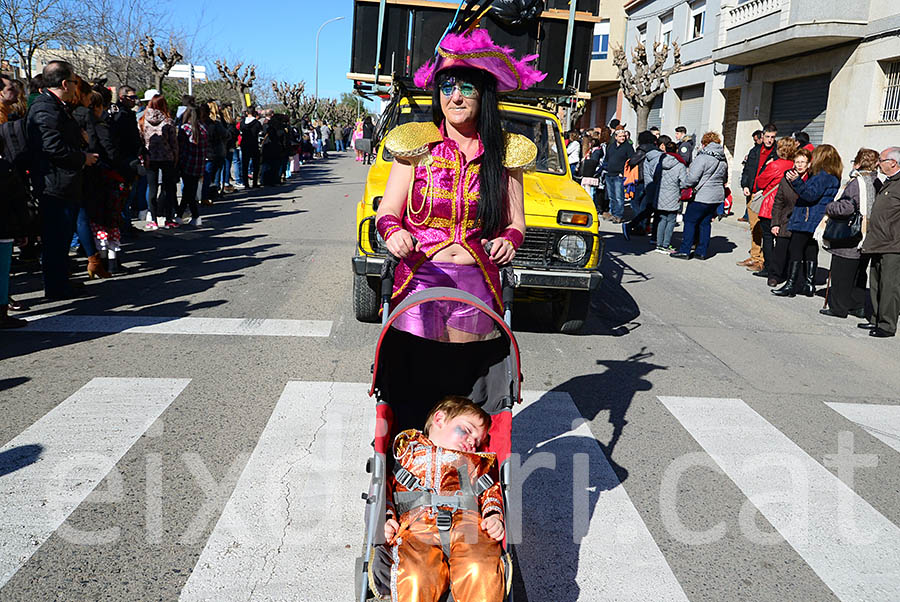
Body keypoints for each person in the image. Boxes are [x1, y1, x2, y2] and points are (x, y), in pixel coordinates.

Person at [375, 27, 538, 341]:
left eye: (466, 87)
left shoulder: (505, 153)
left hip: (476, 282)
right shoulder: (415, 144)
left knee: (462, 381)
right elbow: (387, 212)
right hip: (418, 277)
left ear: (484, 95)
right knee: (417, 380)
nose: (456, 96)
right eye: (447, 87)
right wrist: (393, 234)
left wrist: (509, 242)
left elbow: (516, 223)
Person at [384, 396, 505, 602]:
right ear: (439, 419)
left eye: (477, 441)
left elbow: (490, 490)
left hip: (468, 523)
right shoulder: (407, 451)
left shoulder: (475, 463)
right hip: (416, 524)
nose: (471, 442)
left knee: (479, 567)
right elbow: (387, 487)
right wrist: (386, 516)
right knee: (416, 575)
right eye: (466, 431)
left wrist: (493, 515)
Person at [26, 61, 99, 299]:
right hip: (55, 184)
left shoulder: (57, 106)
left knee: (62, 237)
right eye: (75, 82)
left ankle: (60, 281)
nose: (76, 88)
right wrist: (82, 158)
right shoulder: (45, 107)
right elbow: (51, 146)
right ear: (65, 83)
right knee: (56, 238)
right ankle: (56, 287)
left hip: (64, 182)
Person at [772, 144, 842, 298]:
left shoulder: (823, 176)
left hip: (808, 217)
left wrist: (797, 181)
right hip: (815, 217)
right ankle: (808, 284)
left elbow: (810, 195)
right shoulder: (832, 175)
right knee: (810, 249)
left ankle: (791, 284)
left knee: (795, 249)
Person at [820, 148, 881, 319]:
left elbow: (847, 207)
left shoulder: (857, 182)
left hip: (850, 236)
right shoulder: (876, 182)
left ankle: (838, 308)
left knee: (841, 274)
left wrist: (830, 206)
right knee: (859, 273)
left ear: (859, 162)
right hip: (867, 235)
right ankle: (857, 306)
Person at [860, 147, 900, 337]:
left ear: (893, 162)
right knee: (875, 282)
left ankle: (887, 325)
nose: (878, 164)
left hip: (893, 244)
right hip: (878, 241)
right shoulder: (889, 182)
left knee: (890, 286)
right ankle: (875, 319)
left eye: (881, 160)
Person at [671, 132, 728, 260]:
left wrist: (683, 184)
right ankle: (701, 252)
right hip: (716, 196)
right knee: (705, 223)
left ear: (704, 143)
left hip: (701, 196)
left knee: (690, 221)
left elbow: (692, 178)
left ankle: (685, 250)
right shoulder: (722, 159)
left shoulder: (702, 157)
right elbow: (725, 178)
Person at [752, 137, 799, 277]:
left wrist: (766, 166)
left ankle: (769, 267)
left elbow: (760, 182)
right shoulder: (795, 166)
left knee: (767, 237)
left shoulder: (775, 165)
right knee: (784, 239)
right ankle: (784, 268)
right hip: (789, 206)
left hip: (771, 205)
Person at [768, 148, 811, 286]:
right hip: (786, 219)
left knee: (797, 251)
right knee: (780, 248)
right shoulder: (786, 179)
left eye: (803, 162)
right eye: (797, 162)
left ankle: (795, 277)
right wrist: (775, 223)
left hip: (803, 221)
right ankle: (775, 275)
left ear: (808, 164)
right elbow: (778, 202)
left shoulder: (811, 181)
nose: (799, 165)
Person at [739, 123, 777, 269]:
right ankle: (755, 257)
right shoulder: (755, 151)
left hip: (767, 194)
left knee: (764, 228)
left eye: (772, 137)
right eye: (767, 136)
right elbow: (747, 170)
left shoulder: (777, 153)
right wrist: (745, 185)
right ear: (762, 135)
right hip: (753, 193)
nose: (769, 140)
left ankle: (762, 260)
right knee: (754, 226)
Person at [139, 94, 178, 230]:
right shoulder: (168, 121)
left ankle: (153, 218)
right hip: (167, 157)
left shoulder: (143, 120)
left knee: (152, 189)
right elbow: (174, 142)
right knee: (167, 188)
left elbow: (141, 140)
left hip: (150, 158)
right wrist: (175, 156)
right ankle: (168, 218)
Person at [654, 139, 688, 252]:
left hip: (660, 195)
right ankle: (666, 244)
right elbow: (684, 182)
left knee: (662, 219)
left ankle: (658, 244)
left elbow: (655, 177)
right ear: (676, 150)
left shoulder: (660, 162)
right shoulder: (680, 165)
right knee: (671, 220)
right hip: (673, 194)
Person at [176, 105, 208, 226]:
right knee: (190, 190)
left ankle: (195, 215)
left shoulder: (185, 129)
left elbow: (181, 149)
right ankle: (180, 214)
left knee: (189, 191)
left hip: (187, 163)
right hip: (199, 164)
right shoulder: (203, 128)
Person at [602, 127, 634, 223]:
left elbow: (631, 160)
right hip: (609, 174)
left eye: (623, 136)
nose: (622, 138)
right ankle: (612, 213)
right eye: (620, 136)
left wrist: (623, 173)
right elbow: (607, 158)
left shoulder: (628, 147)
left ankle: (618, 215)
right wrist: (606, 168)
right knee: (611, 196)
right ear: (615, 137)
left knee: (619, 197)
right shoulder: (611, 146)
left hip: (619, 175)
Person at [200, 103, 226, 205]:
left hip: (205, 154)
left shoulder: (208, 125)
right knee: (207, 176)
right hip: (209, 153)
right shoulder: (212, 125)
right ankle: (205, 196)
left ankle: (204, 196)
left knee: (205, 177)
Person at [240, 107, 262, 188]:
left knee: (244, 164)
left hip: (245, 144)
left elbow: (241, 132)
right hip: (254, 144)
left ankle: (245, 183)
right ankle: (255, 182)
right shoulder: (257, 123)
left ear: (246, 113)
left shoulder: (242, 122)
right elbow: (260, 134)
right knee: (256, 164)